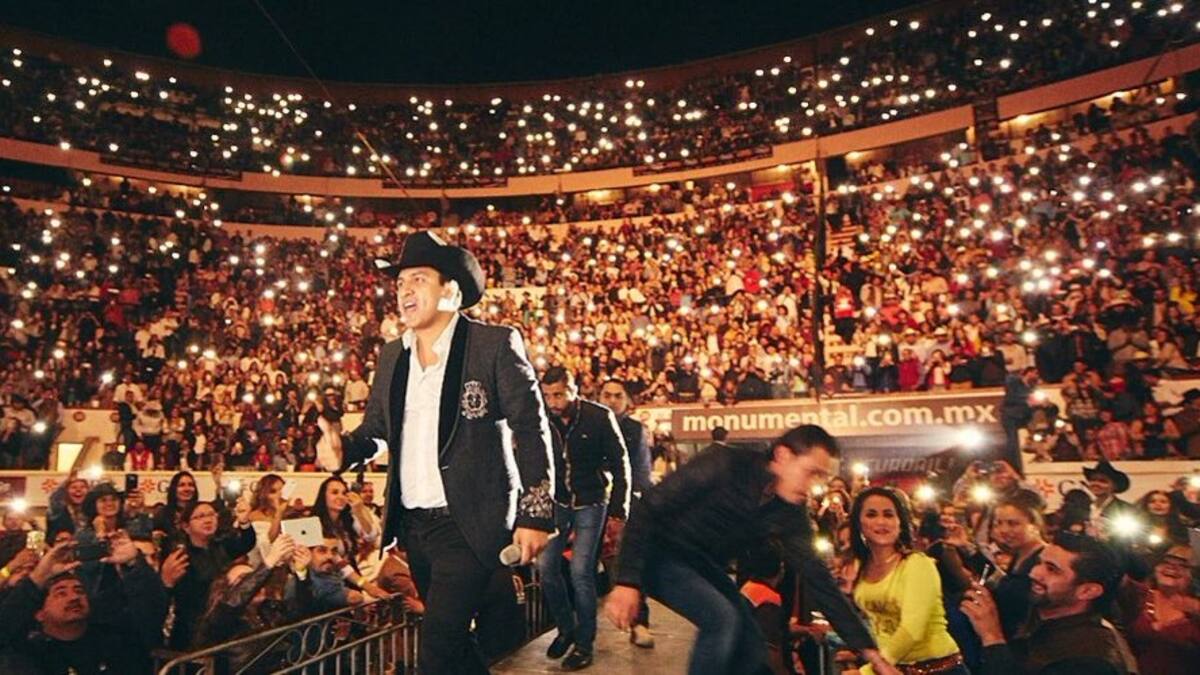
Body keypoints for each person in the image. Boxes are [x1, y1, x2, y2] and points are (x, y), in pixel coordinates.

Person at [318, 231, 555, 674]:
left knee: (435, 651)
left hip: (469, 524)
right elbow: (375, 433)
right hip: (414, 531)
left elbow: (531, 426)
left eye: (419, 279)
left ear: (452, 291)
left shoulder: (494, 344)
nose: (405, 290)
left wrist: (535, 514)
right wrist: (343, 452)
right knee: (456, 648)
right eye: (401, 282)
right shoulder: (392, 357)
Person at [606, 424, 901, 675]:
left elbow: (818, 578)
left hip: (700, 563)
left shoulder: (790, 512)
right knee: (722, 619)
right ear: (783, 456)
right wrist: (627, 582)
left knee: (751, 643)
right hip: (656, 551)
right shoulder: (723, 463)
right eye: (811, 473)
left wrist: (868, 650)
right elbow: (648, 510)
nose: (813, 487)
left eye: (820, 478)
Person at [537, 367, 631, 670]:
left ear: (574, 390)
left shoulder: (598, 417)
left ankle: (584, 643)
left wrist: (618, 511)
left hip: (592, 501)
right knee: (546, 567)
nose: (553, 401)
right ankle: (566, 629)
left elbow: (621, 465)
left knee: (580, 572)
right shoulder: (542, 419)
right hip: (558, 502)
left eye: (559, 394)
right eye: (548, 395)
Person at [961, 534, 1137, 674]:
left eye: (1052, 570)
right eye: (1039, 563)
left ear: (1087, 591)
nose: (1034, 573)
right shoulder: (1040, 617)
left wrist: (992, 637)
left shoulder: (1089, 659)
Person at [0, 536, 168, 674]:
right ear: (39, 613)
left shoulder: (112, 639)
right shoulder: (24, 652)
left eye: (79, 590)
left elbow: (151, 609)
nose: (73, 597)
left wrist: (134, 565)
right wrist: (38, 577)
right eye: (61, 593)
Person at [849, 487, 966, 675]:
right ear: (859, 523)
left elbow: (912, 630)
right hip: (893, 668)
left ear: (900, 522)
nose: (881, 522)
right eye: (871, 515)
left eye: (888, 515)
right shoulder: (861, 566)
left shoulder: (917, 564)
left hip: (937, 669)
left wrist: (869, 671)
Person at [598, 377, 655, 648]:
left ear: (627, 400)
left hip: (624, 505)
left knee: (628, 564)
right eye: (606, 394)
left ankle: (640, 622)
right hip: (591, 502)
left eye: (617, 395)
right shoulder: (590, 421)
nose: (611, 400)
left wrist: (631, 506)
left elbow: (641, 471)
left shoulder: (634, 429)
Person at [1119, 544, 1200, 675]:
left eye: (1183, 565)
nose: (1171, 567)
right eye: (1166, 562)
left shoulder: (1196, 611)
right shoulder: (1139, 594)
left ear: (1194, 575)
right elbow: (1112, 572)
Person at [988, 494, 1048, 640]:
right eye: (999, 523)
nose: (1003, 530)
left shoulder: (1045, 559)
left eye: (1013, 523)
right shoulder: (1019, 555)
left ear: (1035, 525)